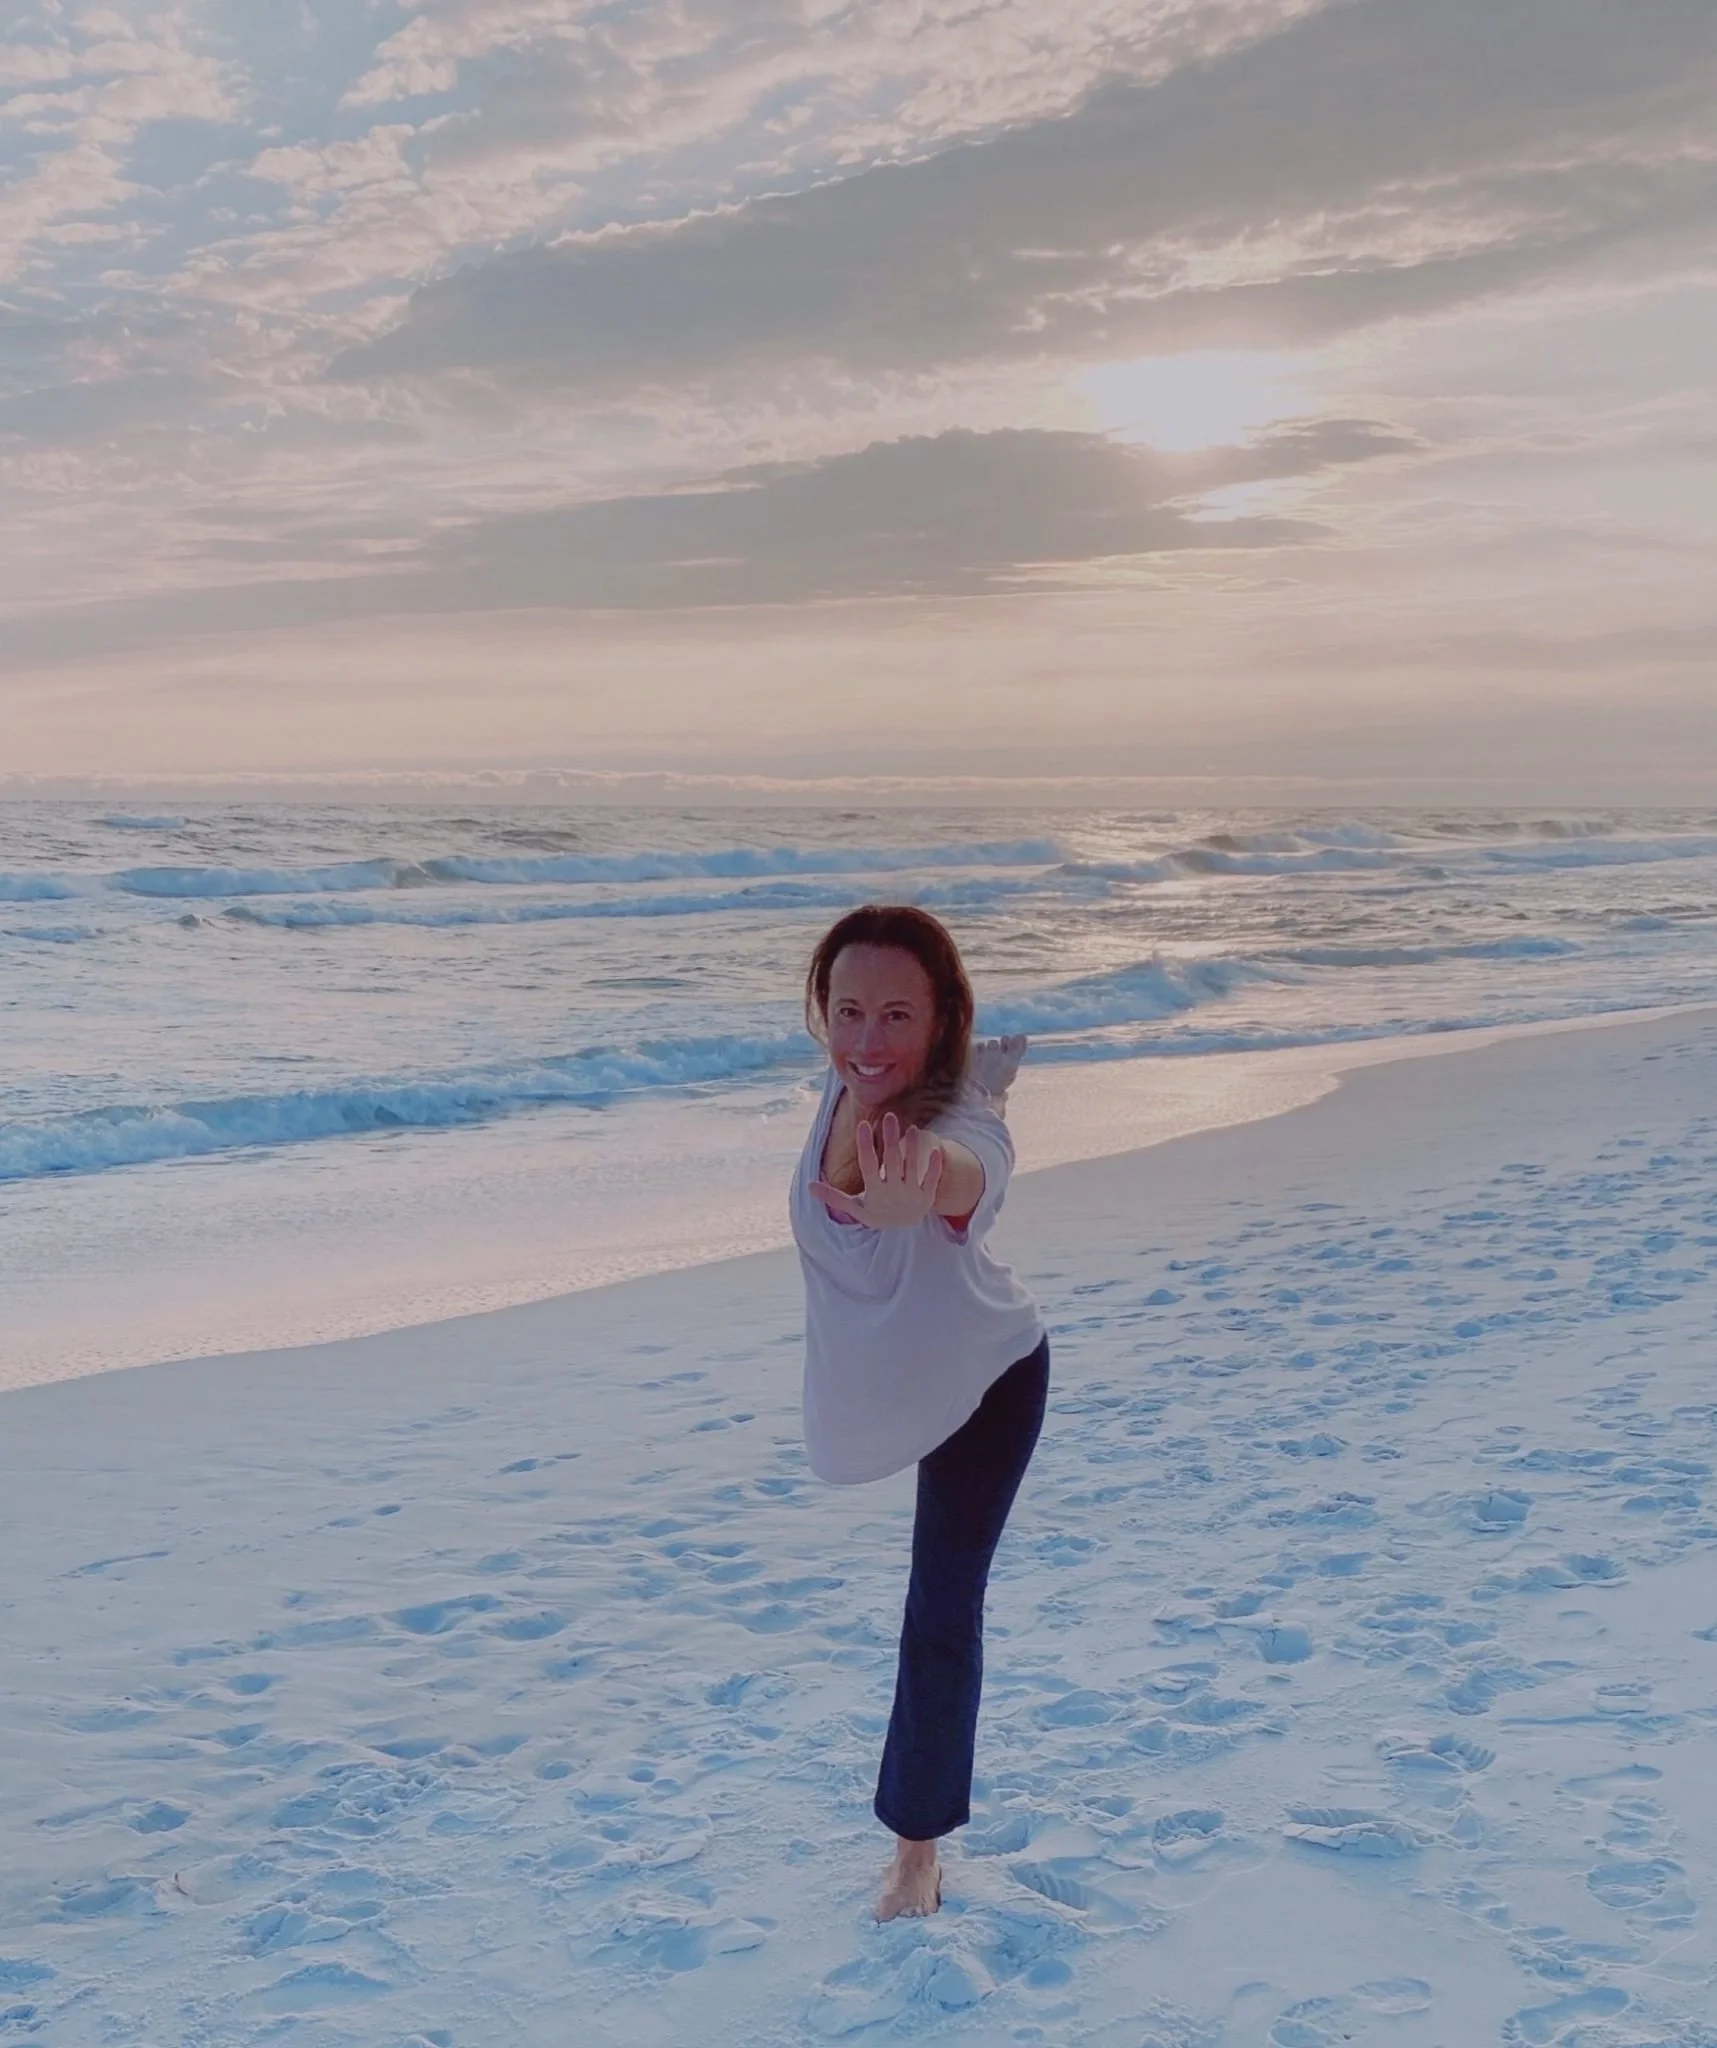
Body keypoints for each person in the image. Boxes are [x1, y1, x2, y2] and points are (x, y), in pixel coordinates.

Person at [790, 903, 1046, 1922]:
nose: (867, 1039)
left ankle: (916, 1850)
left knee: (938, 1608)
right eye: (848, 1010)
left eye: (898, 1015)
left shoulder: (957, 1130)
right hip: (899, 1376)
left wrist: (927, 1181)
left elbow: (967, 1167)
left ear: (940, 1019)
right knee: (932, 1607)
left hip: (989, 1381)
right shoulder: (844, 1086)